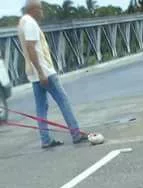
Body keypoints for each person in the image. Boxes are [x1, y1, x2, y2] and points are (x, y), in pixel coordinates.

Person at [18, 0, 88, 149]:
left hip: (34, 74)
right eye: (41, 9)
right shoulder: (30, 23)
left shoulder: (22, 22)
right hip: (45, 72)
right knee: (63, 101)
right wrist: (42, 73)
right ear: (34, 9)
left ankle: (45, 139)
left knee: (41, 108)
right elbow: (31, 48)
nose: (42, 12)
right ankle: (76, 134)